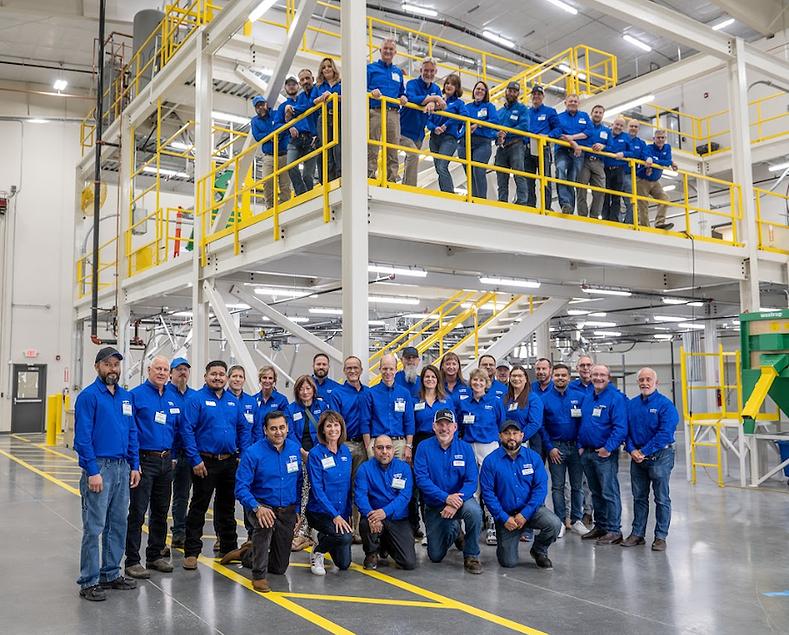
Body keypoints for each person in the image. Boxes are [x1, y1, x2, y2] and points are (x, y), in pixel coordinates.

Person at [74, 347, 140, 601]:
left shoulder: (125, 397)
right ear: (97, 367)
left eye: (116, 365)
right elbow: (82, 438)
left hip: (123, 467)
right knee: (94, 526)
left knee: (118, 523)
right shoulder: (89, 396)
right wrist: (92, 471)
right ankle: (89, 581)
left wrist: (134, 465)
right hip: (100, 467)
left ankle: (110, 573)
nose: (113, 369)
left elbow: (132, 432)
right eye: (107, 364)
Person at [181, 360, 251, 570]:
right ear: (206, 377)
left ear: (226, 378)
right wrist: (195, 460)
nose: (218, 378)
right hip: (205, 462)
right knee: (199, 507)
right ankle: (191, 552)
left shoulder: (233, 402)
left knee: (227, 507)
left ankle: (228, 548)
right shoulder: (196, 400)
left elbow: (243, 428)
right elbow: (187, 430)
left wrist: (243, 454)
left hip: (229, 461)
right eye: (214, 374)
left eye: (221, 374)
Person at [231, 411, 302, 593]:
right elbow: (241, 488)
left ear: (287, 428)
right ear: (265, 430)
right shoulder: (253, 453)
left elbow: (299, 482)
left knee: (279, 568)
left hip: (286, 509)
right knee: (265, 523)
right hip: (261, 505)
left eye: (282, 427)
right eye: (273, 428)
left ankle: (247, 554)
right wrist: (257, 507)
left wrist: (297, 510)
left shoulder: (295, 449)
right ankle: (259, 575)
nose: (278, 432)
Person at [480, 420, 562, 570]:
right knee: (508, 562)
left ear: (522, 435)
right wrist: (503, 518)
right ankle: (508, 541)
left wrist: (525, 514)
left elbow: (540, 489)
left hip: (531, 512)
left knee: (554, 524)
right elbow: (488, 494)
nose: (511, 437)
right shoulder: (490, 461)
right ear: (500, 436)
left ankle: (539, 550)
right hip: (506, 516)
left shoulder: (533, 458)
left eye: (515, 433)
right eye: (507, 433)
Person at [124, 356, 177, 579]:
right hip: (144, 460)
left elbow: (176, 429)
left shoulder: (172, 397)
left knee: (161, 511)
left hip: (166, 461)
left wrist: (173, 457)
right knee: (138, 512)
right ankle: (132, 560)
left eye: (165, 369)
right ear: (149, 370)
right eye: (158, 369)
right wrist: (134, 463)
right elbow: (130, 431)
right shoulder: (136, 396)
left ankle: (155, 555)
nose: (162, 373)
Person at [414, 408, 483, 574]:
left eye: (448, 424)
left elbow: (471, 481)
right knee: (435, 556)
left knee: (474, 512)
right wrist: (446, 498)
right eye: (440, 424)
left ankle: (471, 555)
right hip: (435, 504)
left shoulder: (465, 449)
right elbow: (422, 480)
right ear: (434, 427)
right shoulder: (423, 447)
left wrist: (454, 502)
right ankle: (455, 530)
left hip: (460, 501)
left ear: (455, 427)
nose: (444, 428)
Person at [622, 368, 678, 551]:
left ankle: (660, 536)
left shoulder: (666, 405)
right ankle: (637, 534)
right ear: (637, 382)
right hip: (637, 458)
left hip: (660, 456)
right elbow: (625, 430)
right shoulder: (631, 405)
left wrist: (643, 451)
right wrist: (632, 450)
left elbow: (665, 434)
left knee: (661, 498)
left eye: (648, 379)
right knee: (639, 497)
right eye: (641, 380)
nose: (644, 383)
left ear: (656, 382)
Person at [578, 364, 628, 546]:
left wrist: (608, 448)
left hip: (604, 455)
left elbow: (620, 428)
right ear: (590, 377)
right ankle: (601, 526)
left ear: (608, 378)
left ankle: (614, 530)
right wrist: (580, 446)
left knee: (609, 492)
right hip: (587, 453)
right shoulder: (588, 398)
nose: (598, 378)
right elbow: (582, 424)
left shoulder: (615, 398)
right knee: (596, 492)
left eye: (602, 375)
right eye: (595, 375)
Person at [456, 367, 506, 546]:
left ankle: (493, 526)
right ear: (470, 383)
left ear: (487, 384)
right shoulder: (464, 403)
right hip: (469, 447)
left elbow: (502, 425)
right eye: (475, 380)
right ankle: (471, 528)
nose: (477, 383)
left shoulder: (495, 402)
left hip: (489, 446)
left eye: (481, 381)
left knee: (491, 487)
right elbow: (460, 426)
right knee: (471, 488)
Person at [540, 363, 589, 537]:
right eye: (557, 375)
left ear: (569, 377)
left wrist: (581, 445)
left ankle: (576, 520)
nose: (560, 378)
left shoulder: (580, 397)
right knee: (558, 486)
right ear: (552, 377)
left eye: (563, 375)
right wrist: (550, 447)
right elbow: (541, 426)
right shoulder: (544, 399)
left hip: (576, 447)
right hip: (556, 448)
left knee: (577, 486)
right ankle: (560, 521)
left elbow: (584, 423)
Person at [355, 434, 417, 570]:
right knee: (365, 523)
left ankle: (385, 544)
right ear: (373, 449)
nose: (384, 451)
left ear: (393, 449)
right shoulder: (364, 469)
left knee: (408, 563)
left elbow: (404, 497)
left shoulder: (404, 468)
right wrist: (372, 515)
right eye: (380, 448)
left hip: (397, 519)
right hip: (373, 518)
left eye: (388, 447)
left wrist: (384, 512)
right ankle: (371, 553)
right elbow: (360, 497)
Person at [305, 410, 354, 575]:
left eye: (336, 425)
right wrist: (335, 515)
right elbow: (317, 489)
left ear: (341, 428)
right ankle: (318, 551)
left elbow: (347, 486)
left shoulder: (346, 452)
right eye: (328, 426)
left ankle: (324, 536)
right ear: (322, 430)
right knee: (344, 536)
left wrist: (348, 514)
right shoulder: (315, 454)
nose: (333, 429)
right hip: (320, 512)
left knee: (344, 564)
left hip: (341, 512)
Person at [328, 356, 369, 542]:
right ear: (344, 371)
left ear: (361, 371)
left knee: (360, 487)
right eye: (349, 368)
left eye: (356, 368)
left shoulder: (368, 392)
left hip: (364, 445)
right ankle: (343, 527)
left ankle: (357, 530)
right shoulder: (337, 394)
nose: (352, 371)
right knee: (343, 487)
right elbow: (335, 422)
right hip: (344, 445)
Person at [285, 374, 328, 551]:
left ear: (313, 390)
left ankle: (313, 531)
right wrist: (301, 451)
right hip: (299, 456)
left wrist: (315, 452)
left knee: (317, 492)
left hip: (319, 456)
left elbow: (327, 430)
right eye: (301, 389)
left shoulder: (323, 407)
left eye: (308, 388)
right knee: (302, 492)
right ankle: (301, 532)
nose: (305, 392)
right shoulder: (290, 409)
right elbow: (289, 433)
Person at [410, 364, 453, 540]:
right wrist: (409, 447)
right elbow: (410, 424)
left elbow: (453, 425)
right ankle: (424, 528)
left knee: (439, 483)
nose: (430, 379)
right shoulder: (415, 399)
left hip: (441, 443)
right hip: (420, 443)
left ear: (438, 379)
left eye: (433, 377)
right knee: (421, 486)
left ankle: (442, 528)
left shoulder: (446, 400)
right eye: (427, 376)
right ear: (422, 379)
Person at [400, 57, 445, 187]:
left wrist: (432, 103)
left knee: (410, 159)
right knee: (414, 155)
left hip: (418, 134)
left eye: (432, 71)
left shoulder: (436, 88)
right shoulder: (412, 84)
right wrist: (434, 98)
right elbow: (412, 99)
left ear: (435, 72)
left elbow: (442, 105)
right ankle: (410, 189)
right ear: (420, 71)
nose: (428, 74)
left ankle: (404, 186)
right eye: (426, 70)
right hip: (403, 130)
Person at [367, 38, 407, 182]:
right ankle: (370, 177)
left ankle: (392, 179)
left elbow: (401, 91)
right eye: (385, 48)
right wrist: (371, 91)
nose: (388, 51)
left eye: (391, 49)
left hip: (393, 113)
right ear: (380, 50)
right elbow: (362, 87)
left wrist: (403, 96)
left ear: (395, 52)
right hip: (376, 111)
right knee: (372, 146)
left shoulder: (398, 72)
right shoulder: (370, 69)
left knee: (392, 148)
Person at [165, 357, 195, 549]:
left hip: (188, 454)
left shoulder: (194, 396)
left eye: (185, 369)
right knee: (160, 497)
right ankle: (159, 538)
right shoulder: (164, 393)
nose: (182, 372)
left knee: (182, 496)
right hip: (167, 454)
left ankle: (179, 533)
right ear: (171, 373)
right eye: (178, 369)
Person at [362, 354, 415, 461]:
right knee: (375, 471)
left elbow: (409, 421)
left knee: (399, 471)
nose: (388, 372)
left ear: (396, 370)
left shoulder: (404, 393)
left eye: (391, 369)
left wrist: (408, 446)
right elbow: (365, 421)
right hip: (377, 441)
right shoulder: (370, 393)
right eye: (385, 368)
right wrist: (368, 445)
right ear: (380, 370)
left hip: (399, 443)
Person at [552, 93, 592, 214]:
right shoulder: (559, 117)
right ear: (565, 103)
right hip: (562, 150)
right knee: (560, 171)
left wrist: (572, 138)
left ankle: (569, 209)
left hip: (577, 154)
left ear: (578, 103)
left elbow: (589, 131)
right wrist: (573, 143)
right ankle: (565, 203)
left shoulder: (584, 116)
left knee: (572, 180)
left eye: (575, 101)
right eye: (570, 101)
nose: (573, 103)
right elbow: (558, 133)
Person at [251, 95, 291, 209]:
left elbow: (285, 127)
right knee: (267, 181)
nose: (260, 108)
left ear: (266, 104)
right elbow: (257, 136)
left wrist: (278, 135)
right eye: (257, 107)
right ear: (255, 109)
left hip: (284, 154)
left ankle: (284, 205)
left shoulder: (277, 114)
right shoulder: (255, 121)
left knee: (285, 183)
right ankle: (270, 207)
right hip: (269, 157)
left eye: (262, 105)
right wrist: (271, 136)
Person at [459, 81, 497, 199]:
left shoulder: (489, 107)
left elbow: (495, 120)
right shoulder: (467, 107)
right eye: (477, 89)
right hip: (465, 142)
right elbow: (459, 121)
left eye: (482, 89)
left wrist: (478, 124)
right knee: (469, 174)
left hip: (482, 141)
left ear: (485, 93)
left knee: (478, 171)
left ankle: (481, 200)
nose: (479, 91)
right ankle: (473, 199)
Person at [427, 74, 464, 193]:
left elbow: (464, 116)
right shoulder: (437, 102)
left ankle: (449, 194)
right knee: (439, 169)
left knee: (442, 167)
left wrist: (446, 124)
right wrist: (434, 128)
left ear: (457, 88)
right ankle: (444, 193)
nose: (449, 86)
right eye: (447, 83)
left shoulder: (458, 103)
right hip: (434, 138)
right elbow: (428, 120)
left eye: (452, 84)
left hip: (449, 138)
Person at [494, 81, 530, 206]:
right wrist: (498, 135)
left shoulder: (522, 109)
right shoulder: (499, 112)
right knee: (501, 176)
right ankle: (502, 201)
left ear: (518, 94)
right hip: (501, 147)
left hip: (516, 145)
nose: (512, 94)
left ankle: (522, 201)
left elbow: (525, 126)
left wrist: (506, 132)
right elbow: (493, 128)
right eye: (510, 91)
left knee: (519, 173)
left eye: (515, 92)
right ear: (506, 91)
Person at [525, 84, 560, 209]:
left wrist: (548, 136)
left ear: (543, 96)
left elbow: (558, 129)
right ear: (531, 96)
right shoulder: (527, 113)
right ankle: (530, 206)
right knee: (528, 179)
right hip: (528, 148)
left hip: (543, 148)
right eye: (534, 94)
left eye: (539, 94)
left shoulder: (549, 111)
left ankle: (546, 206)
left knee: (545, 178)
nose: (536, 96)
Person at [284, 70, 319, 197]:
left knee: (308, 175)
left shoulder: (317, 90)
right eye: (302, 80)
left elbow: (308, 107)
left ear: (313, 79)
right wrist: (289, 124)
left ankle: (308, 196)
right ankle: (302, 194)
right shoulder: (288, 104)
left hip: (312, 137)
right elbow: (279, 123)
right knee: (290, 166)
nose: (305, 82)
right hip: (296, 140)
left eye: (307, 78)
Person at [636, 129, 676, 230]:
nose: (660, 140)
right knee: (643, 204)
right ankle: (645, 227)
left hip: (655, 181)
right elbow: (646, 157)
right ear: (654, 138)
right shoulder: (648, 148)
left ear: (665, 138)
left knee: (664, 198)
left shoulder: (667, 148)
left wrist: (655, 161)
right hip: (642, 180)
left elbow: (667, 162)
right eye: (658, 138)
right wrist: (659, 162)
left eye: (662, 137)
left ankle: (659, 223)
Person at [504, 365, 547, 458]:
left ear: (526, 379)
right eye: (514, 376)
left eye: (520, 376)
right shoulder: (506, 398)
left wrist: (517, 438)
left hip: (527, 443)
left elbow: (535, 423)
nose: (516, 379)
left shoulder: (533, 398)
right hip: (506, 444)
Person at [576, 105, 609, 218]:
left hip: (598, 162)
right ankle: (582, 214)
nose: (597, 114)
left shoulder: (606, 131)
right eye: (596, 112)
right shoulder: (584, 127)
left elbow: (611, 146)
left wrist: (603, 146)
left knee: (600, 189)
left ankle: (595, 215)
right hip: (584, 160)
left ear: (603, 115)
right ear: (591, 113)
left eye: (600, 113)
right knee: (581, 188)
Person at [313, 57, 342, 181]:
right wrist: (321, 98)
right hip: (324, 118)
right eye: (324, 67)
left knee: (339, 148)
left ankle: (340, 175)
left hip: (339, 116)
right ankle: (330, 179)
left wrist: (333, 96)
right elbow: (313, 101)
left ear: (334, 68)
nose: (327, 69)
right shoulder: (318, 86)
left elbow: (348, 97)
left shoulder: (341, 84)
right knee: (327, 148)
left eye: (329, 66)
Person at [601, 117, 634, 223]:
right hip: (605, 169)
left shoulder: (626, 137)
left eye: (621, 126)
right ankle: (605, 218)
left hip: (619, 170)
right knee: (605, 195)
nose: (618, 127)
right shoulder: (605, 133)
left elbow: (632, 152)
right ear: (612, 124)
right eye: (617, 124)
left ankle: (614, 219)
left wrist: (623, 154)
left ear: (624, 127)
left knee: (616, 197)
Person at [254, 365, 290, 437]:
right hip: (256, 440)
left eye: (270, 378)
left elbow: (285, 424)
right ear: (260, 379)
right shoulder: (253, 400)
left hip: (275, 439)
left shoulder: (282, 400)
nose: (267, 381)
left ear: (274, 380)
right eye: (264, 378)